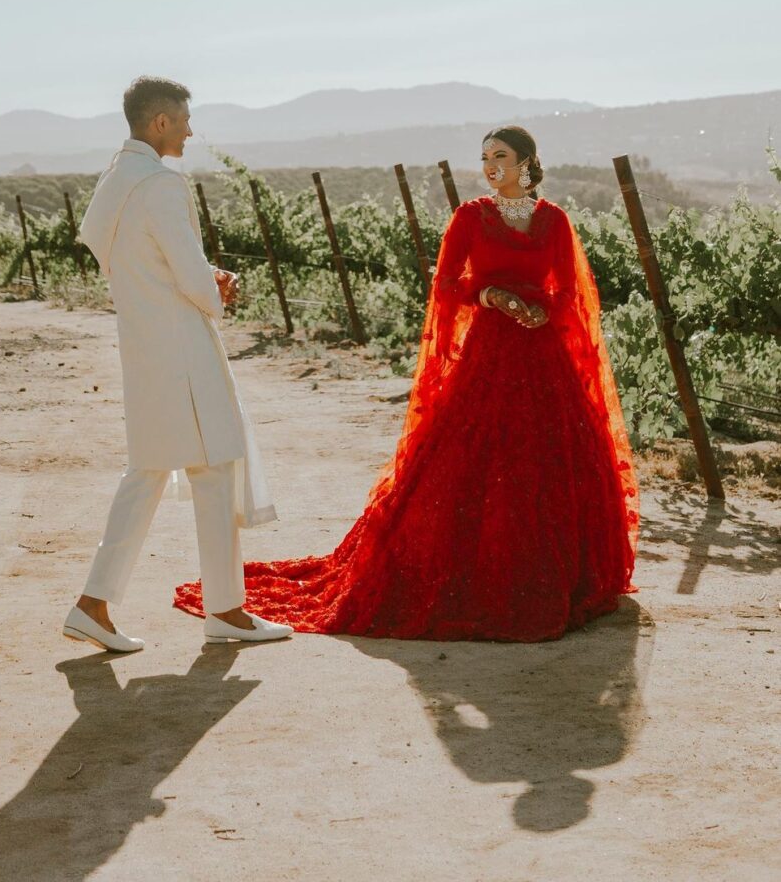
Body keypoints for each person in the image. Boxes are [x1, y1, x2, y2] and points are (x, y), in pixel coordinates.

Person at [174, 126, 638, 642]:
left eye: (500, 156)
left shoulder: (554, 221)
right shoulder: (470, 217)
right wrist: (492, 298)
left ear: (526, 161)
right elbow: (446, 283)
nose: (489, 166)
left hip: (544, 358)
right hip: (487, 357)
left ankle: (560, 575)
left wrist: (538, 308)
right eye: (484, 157)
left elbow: (567, 289)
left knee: (549, 461)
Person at [63, 76, 292, 651]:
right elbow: (188, 272)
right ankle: (225, 611)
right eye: (185, 120)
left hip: (142, 345)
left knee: (151, 470)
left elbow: (143, 257)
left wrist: (191, 278)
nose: (191, 130)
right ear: (159, 123)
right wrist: (218, 289)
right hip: (183, 348)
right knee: (213, 465)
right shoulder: (162, 183)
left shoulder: (115, 180)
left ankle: (99, 603)